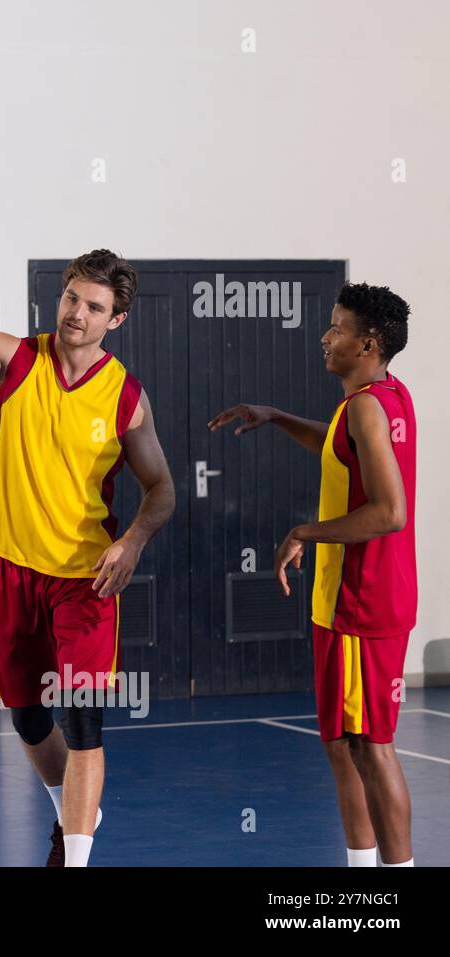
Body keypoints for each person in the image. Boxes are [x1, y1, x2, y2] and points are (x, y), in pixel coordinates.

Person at [0, 224, 175, 867]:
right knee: (28, 716)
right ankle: (71, 816)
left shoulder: (126, 397)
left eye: (94, 307)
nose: (77, 314)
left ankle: (75, 854)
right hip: (12, 569)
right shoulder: (14, 357)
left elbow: (162, 487)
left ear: (117, 319)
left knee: (84, 722)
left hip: (87, 581)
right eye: (71, 299)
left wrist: (135, 540)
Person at [209, 282, 416, 867]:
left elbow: (389, 512)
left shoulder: (370, 406)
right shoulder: (380, 398)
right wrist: (275, 417)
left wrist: (304, 532)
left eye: (338, 329)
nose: (326, 337)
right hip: (346, 600)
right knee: (342, 746)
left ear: (368, 343)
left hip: (363, 599)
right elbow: (339, 449)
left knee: (371, 747)